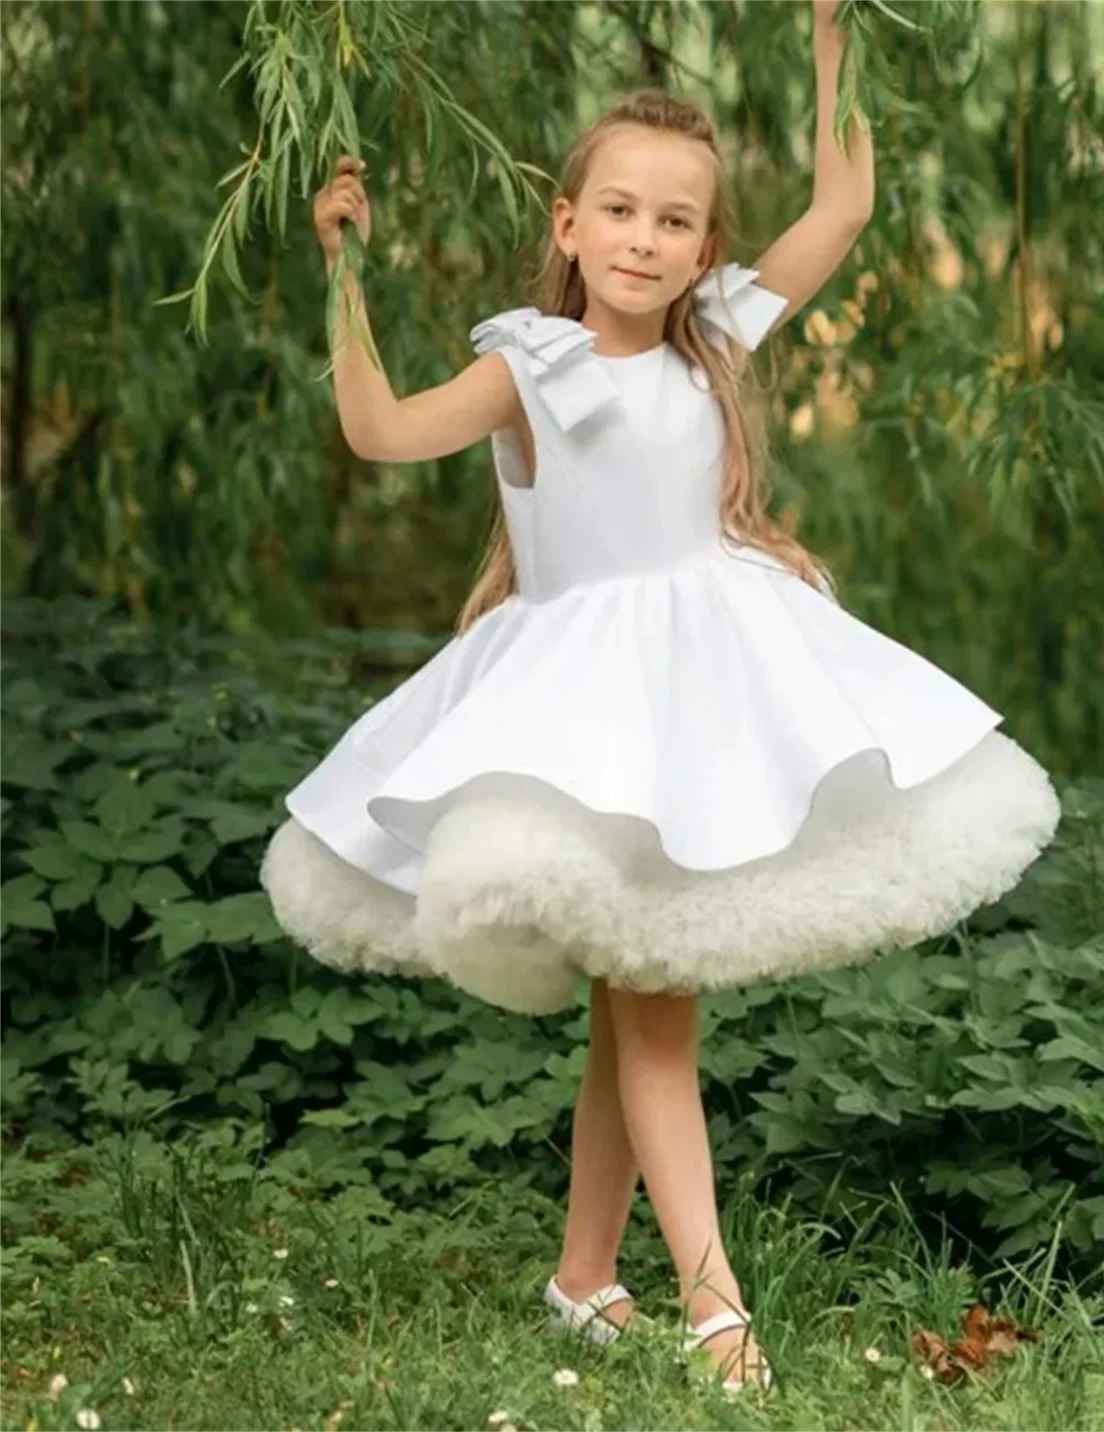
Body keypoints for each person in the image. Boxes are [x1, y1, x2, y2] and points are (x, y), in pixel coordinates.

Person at [261, 1, 1061, 1396]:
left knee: (643, 1005)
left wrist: (831, 41)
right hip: (589, 719)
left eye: (676, 220)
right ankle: (717, 1315)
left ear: (703, 245)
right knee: (656, 1012)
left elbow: (848, 199)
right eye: (619, 210)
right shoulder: (531, 364)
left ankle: (586, 1281)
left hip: (709, 695)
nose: (645, 238)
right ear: (568, 225)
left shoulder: (718, 341)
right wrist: (344, 277)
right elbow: (380, 430)